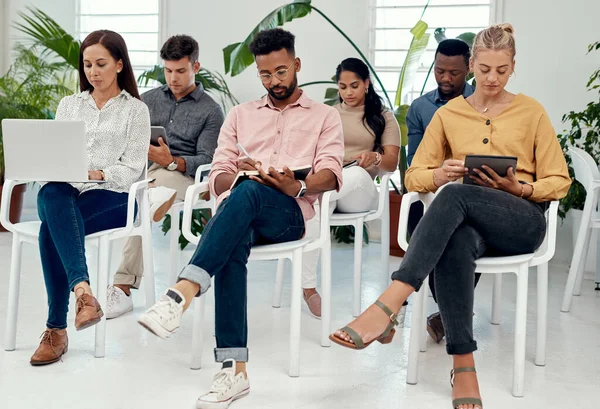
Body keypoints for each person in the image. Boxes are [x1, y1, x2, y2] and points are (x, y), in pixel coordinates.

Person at [329, 23, 571, 409]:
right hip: (470, 226)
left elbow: (560, 180)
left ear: (513, 67)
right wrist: (438, 174)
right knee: (456, 235)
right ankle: (463, 363)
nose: (492, 79)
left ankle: (390, 303)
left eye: (502, 70)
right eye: (485, 69)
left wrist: (519, 188)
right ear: (473, 64)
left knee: (455, 195)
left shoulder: (532, 111)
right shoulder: (450, 114)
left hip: (521, 220)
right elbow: (413, 176)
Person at [137, 28, 344, 409]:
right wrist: (241, 175)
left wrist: (293, 184)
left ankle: (182, 292)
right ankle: (235, 373)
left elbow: (330, 174)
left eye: (281, 72)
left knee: (247, 194)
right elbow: (216, 175)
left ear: (296, 65)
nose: (274, 81)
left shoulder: (325, 116)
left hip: (289, 213)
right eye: (265, 75)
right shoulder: (240, 115)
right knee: (238, 214)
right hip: (242, 210)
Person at [30, 30, 150, 366]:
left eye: (100, 64)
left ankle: (56, 331)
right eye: (87, 65)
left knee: (50, 228)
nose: (92, 72)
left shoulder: (136, 111)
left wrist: (97, 174)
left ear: (119, 64)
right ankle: (84, 294)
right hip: (64, 191)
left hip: (113, 197)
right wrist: (64, 170)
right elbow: (53, 159)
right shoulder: (69, 105)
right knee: (53, 194)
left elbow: (131, 169)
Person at [106, 35, 224, 319]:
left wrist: (171, 161)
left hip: (184, 176)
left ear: (195, 66)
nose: (173, 77)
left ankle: (122, 288)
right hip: (145, 170)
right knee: (133, 194)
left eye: (181, 71)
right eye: (168, 71)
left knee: (141, 204)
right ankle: (147, 199)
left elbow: (208, 160)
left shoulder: (210, 110)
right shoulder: (146, 100)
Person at [301, 57, 400, 318]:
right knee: (318, 205)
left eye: (354, 86)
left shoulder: (384, 117)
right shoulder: (327, 114)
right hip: (331, 188)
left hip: (361, 190)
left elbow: (392, 163)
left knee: (350, 176)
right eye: (342, 87)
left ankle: (308, 192)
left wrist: (374, 157)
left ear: (367, 83)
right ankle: (309, 289)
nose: (348, 92)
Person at [406, 39, 477, 343]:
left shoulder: (483, 102)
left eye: (454, 73)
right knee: (427, 225)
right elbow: (415, 163)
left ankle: (448, 315)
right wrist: (438, 174)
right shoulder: (421, 108)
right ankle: (452, 312)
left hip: (475, 191)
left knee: (465, 232)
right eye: (439, 71)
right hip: (433, 188)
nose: (446, 79)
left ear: (469, 69)